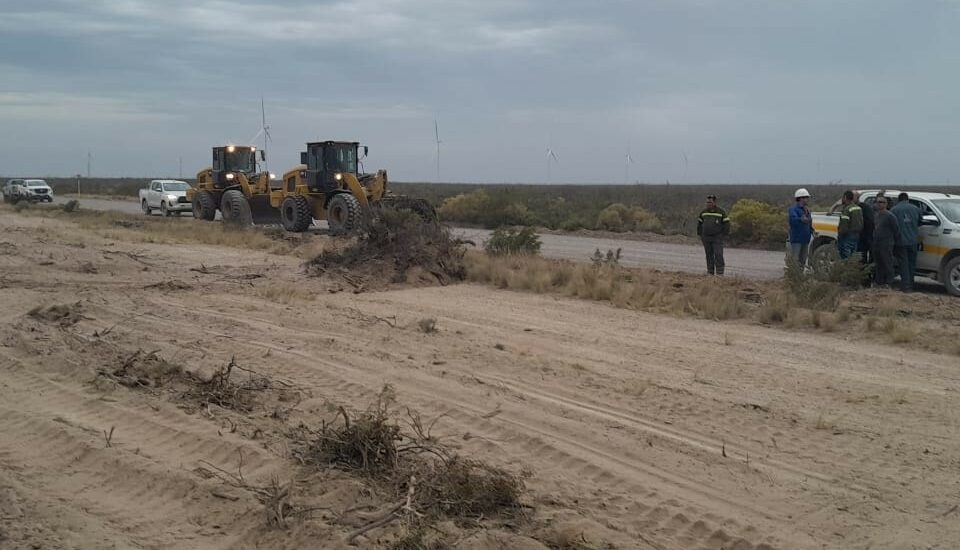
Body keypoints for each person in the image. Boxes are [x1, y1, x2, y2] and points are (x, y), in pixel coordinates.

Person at [891, 192, 921, 292]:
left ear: (899, 200)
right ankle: (911, 285)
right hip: (913, 241)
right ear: (907, 199)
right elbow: (920, 222)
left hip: (900, 241)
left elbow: (891, 225)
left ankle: (906, 286)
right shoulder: (916, 209)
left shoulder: (894, 210)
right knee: (912, 264)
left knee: (903, 264)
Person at [697, 194, 730, 275]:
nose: (708, 204)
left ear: (715, 203)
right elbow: (699, 224)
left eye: (710, 202)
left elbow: (727, 223)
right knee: (709, 255)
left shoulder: (721, 212)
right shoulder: (703, 212)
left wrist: (724, 234)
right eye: (707, 202)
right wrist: (700, 234)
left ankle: (720, 273)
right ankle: (710, 272)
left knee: (718, 254)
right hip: (706, 237)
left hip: (717, 237)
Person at [872, 196, 900, 287]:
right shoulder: (876, 215)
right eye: (878, 202)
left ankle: (889, 283)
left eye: (882, 202)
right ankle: (879, 282)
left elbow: (896, 230)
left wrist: (891, 240)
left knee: (887, 263)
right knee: (878, 263)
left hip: (886, 243)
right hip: (876, 242)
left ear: (886, 204)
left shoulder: (890, 216)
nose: (879, 204)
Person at [788, 188, 813, 268]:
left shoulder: (807, 210)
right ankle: (793, 277)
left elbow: (809, 223)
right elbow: (793, 220)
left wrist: (813, 231)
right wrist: (801, 219)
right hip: (797, 239)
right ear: (801, 198)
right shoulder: (793, 209)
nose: (807, 199)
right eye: (806, 197)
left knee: (803, 260)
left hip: (805, 239)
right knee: (795, 260)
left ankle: (800, 277)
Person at [836, 190, 863, 259]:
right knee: (853, 255)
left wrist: (840, 235)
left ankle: (847, 269)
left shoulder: (847, 209)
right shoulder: (858, 208)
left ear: (845, 197)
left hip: (847, 236)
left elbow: (844, 225)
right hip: (856, 235)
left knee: (846, 256)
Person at [853, 191, 874, 264]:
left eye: (853, 196)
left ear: (857, 198)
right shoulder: (850, 207)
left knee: (863, 257)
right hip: (855, 238)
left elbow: (870, 221)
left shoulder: (865, 208)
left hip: (865, 237)